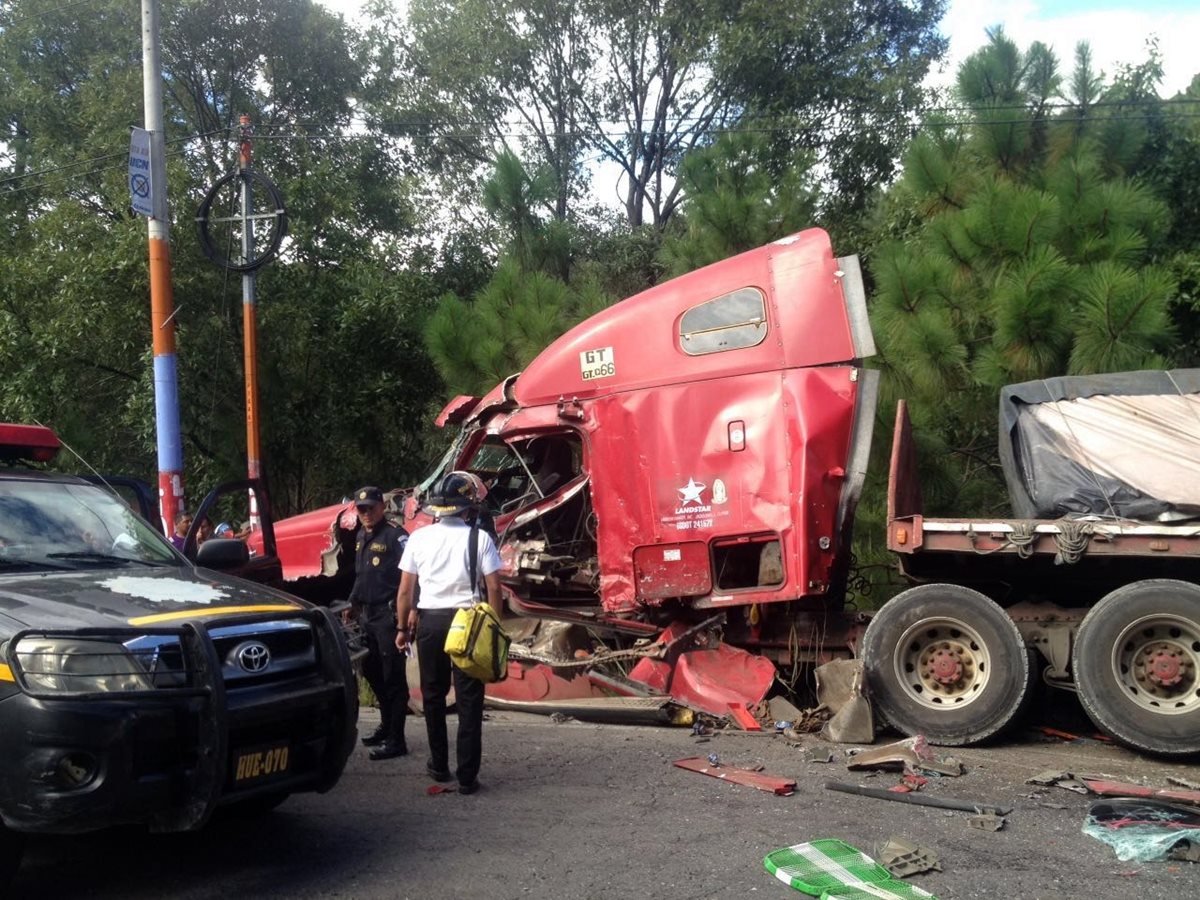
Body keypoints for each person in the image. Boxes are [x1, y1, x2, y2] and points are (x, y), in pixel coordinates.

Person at [395, 471, 501, 795]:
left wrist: (402, 628)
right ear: (467, 508)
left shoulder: (418, 538)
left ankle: (439, 765)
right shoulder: (479, 538)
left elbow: (404, 593)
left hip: (430, 623)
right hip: (468, 622)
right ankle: (468, 776)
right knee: (469, 700)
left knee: (433, 696)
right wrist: (492, 626)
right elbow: (493, 587)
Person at [348, 486, 410, 760]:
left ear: (382, 507)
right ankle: (386, 726)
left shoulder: (396, 537)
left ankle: (397, 740)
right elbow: (362, 575)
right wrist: (353, 602)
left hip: (388, 616)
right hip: (367, 616)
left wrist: (407, 618)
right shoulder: (361, 535)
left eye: (371, 508)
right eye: (361, 509)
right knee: (371, 671)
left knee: (393, 678)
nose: (366, 513)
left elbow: (410, 579)